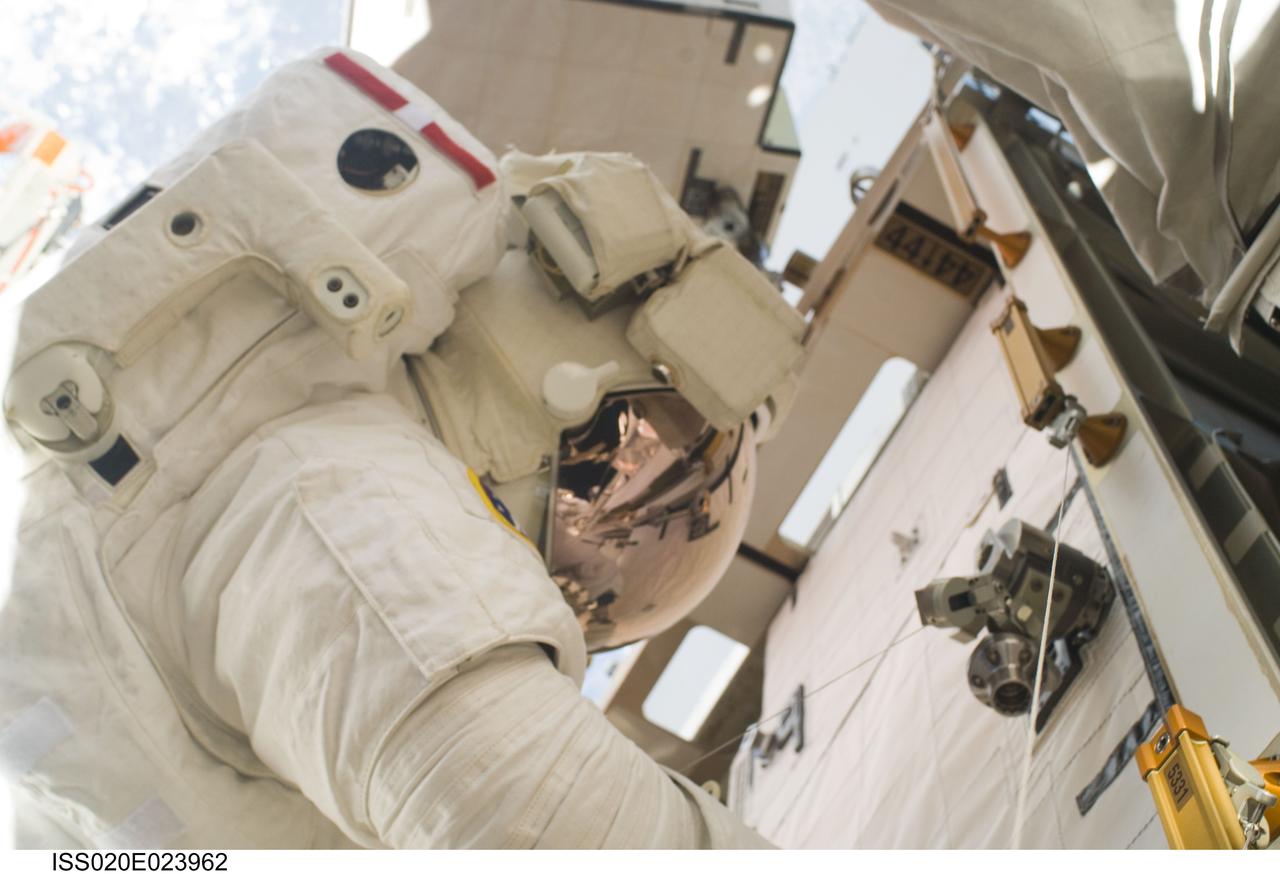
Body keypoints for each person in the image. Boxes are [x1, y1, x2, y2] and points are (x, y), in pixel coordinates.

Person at [0, 50, 805, 849]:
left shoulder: (310, 470)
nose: (593, 577)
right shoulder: (336, 491)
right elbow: (536, 807)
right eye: (627, 462)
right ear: (541, 376)